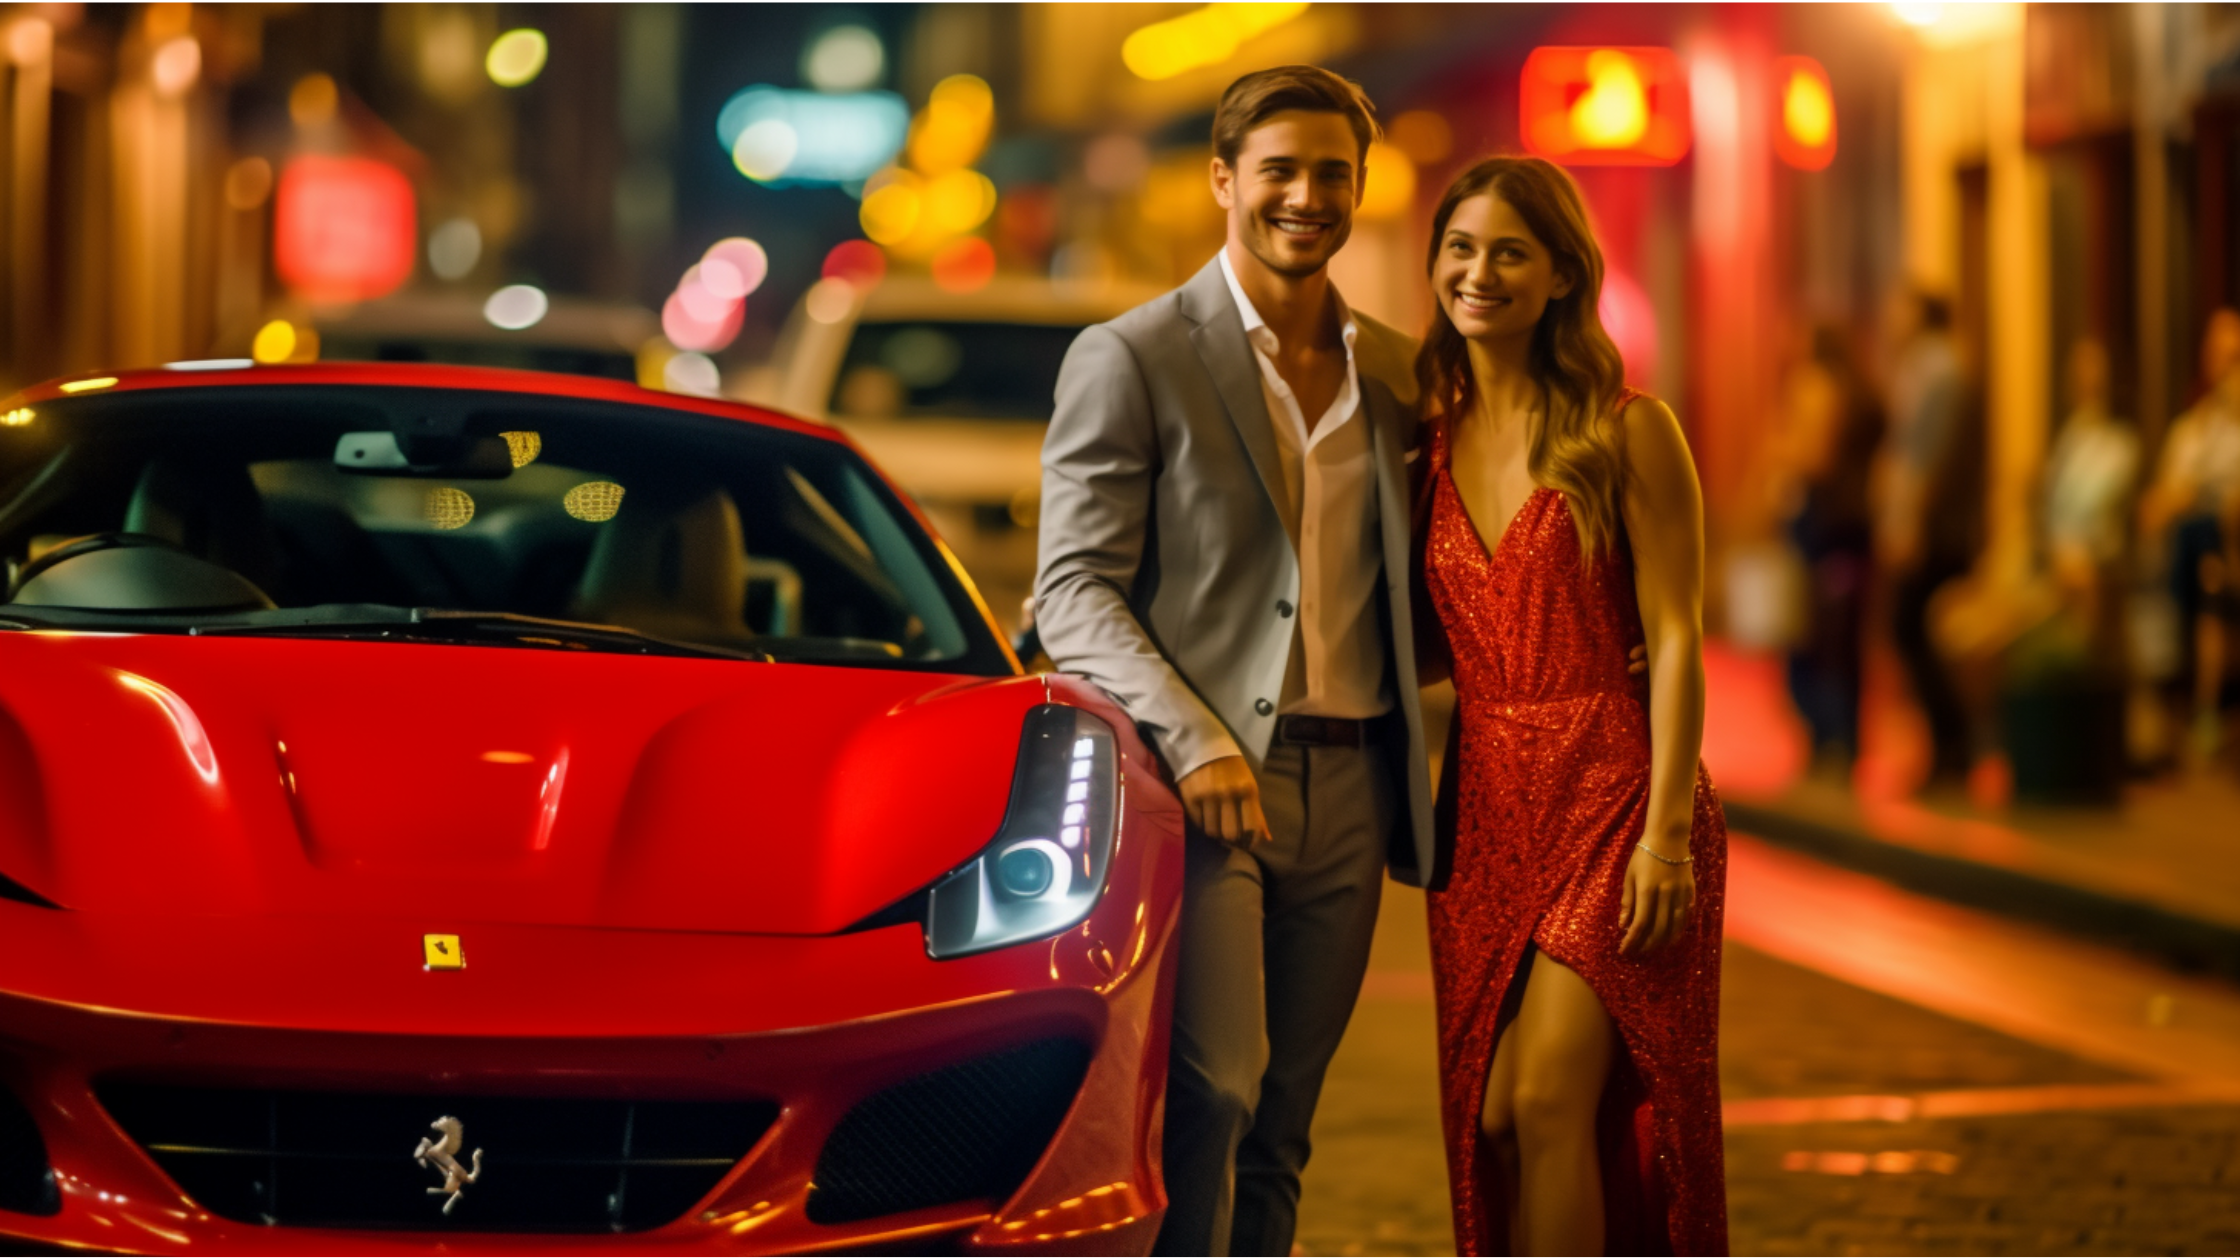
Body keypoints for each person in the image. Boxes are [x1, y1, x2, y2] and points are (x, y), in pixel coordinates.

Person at [1032, 66, 1436, 1257]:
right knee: (1214, 1091)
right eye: (1278, 172)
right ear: (1222, 182)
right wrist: (1194, 735)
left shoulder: (1403, 373)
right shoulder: (1132, 355)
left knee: (1285, 1126)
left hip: (1353, 784)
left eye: (1330, 175)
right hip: (1203, 791)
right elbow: (1071, 589)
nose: (1305, 197)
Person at [1412, 156, 1728, 1255]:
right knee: (1493, 1120)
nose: (1477, 272)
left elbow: (1679, 631)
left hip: (1612, 796)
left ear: (1559, 276)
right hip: (1486, 815)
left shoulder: (1627, 427)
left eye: (1508, 252)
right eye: (1459, 248)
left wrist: (1667, 839)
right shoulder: (1425, 440)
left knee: (1549, 1100)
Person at [1779, 325, 1885, 770]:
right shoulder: (1864, 393)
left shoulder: (1815, 388)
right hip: (1856, 523)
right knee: (1845, 638)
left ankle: (1825, 738)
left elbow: (1813, 455)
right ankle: (1847, 736)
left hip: (1818, 522)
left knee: (1807, 635)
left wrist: (1782, 456)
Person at [2141, 308, 2240, 759]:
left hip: (2226, 542)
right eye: (2221, 357)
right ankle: (2170, 701)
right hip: (2197, 548)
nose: (2227, 368)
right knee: (2190, 555)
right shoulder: (2192, 428)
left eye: (2235, 357)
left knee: (2207, 556)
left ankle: (2195, 706)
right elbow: (2165, 493)